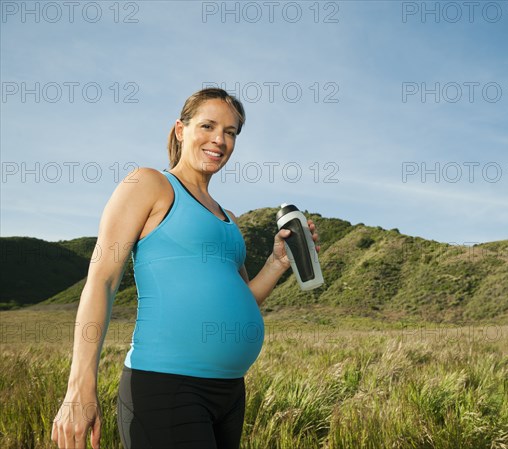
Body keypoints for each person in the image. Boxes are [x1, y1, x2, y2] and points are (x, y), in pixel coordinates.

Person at [51, 87, 320, 449]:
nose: (219, 140)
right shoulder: (149, 184)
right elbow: (102, 281)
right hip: (166, 386)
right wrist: (79, 390)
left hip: (229, 392)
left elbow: (245, 298)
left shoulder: (228, 218)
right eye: (208, 126)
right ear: (181, 130)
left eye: (230, 132)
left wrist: (277, 262)